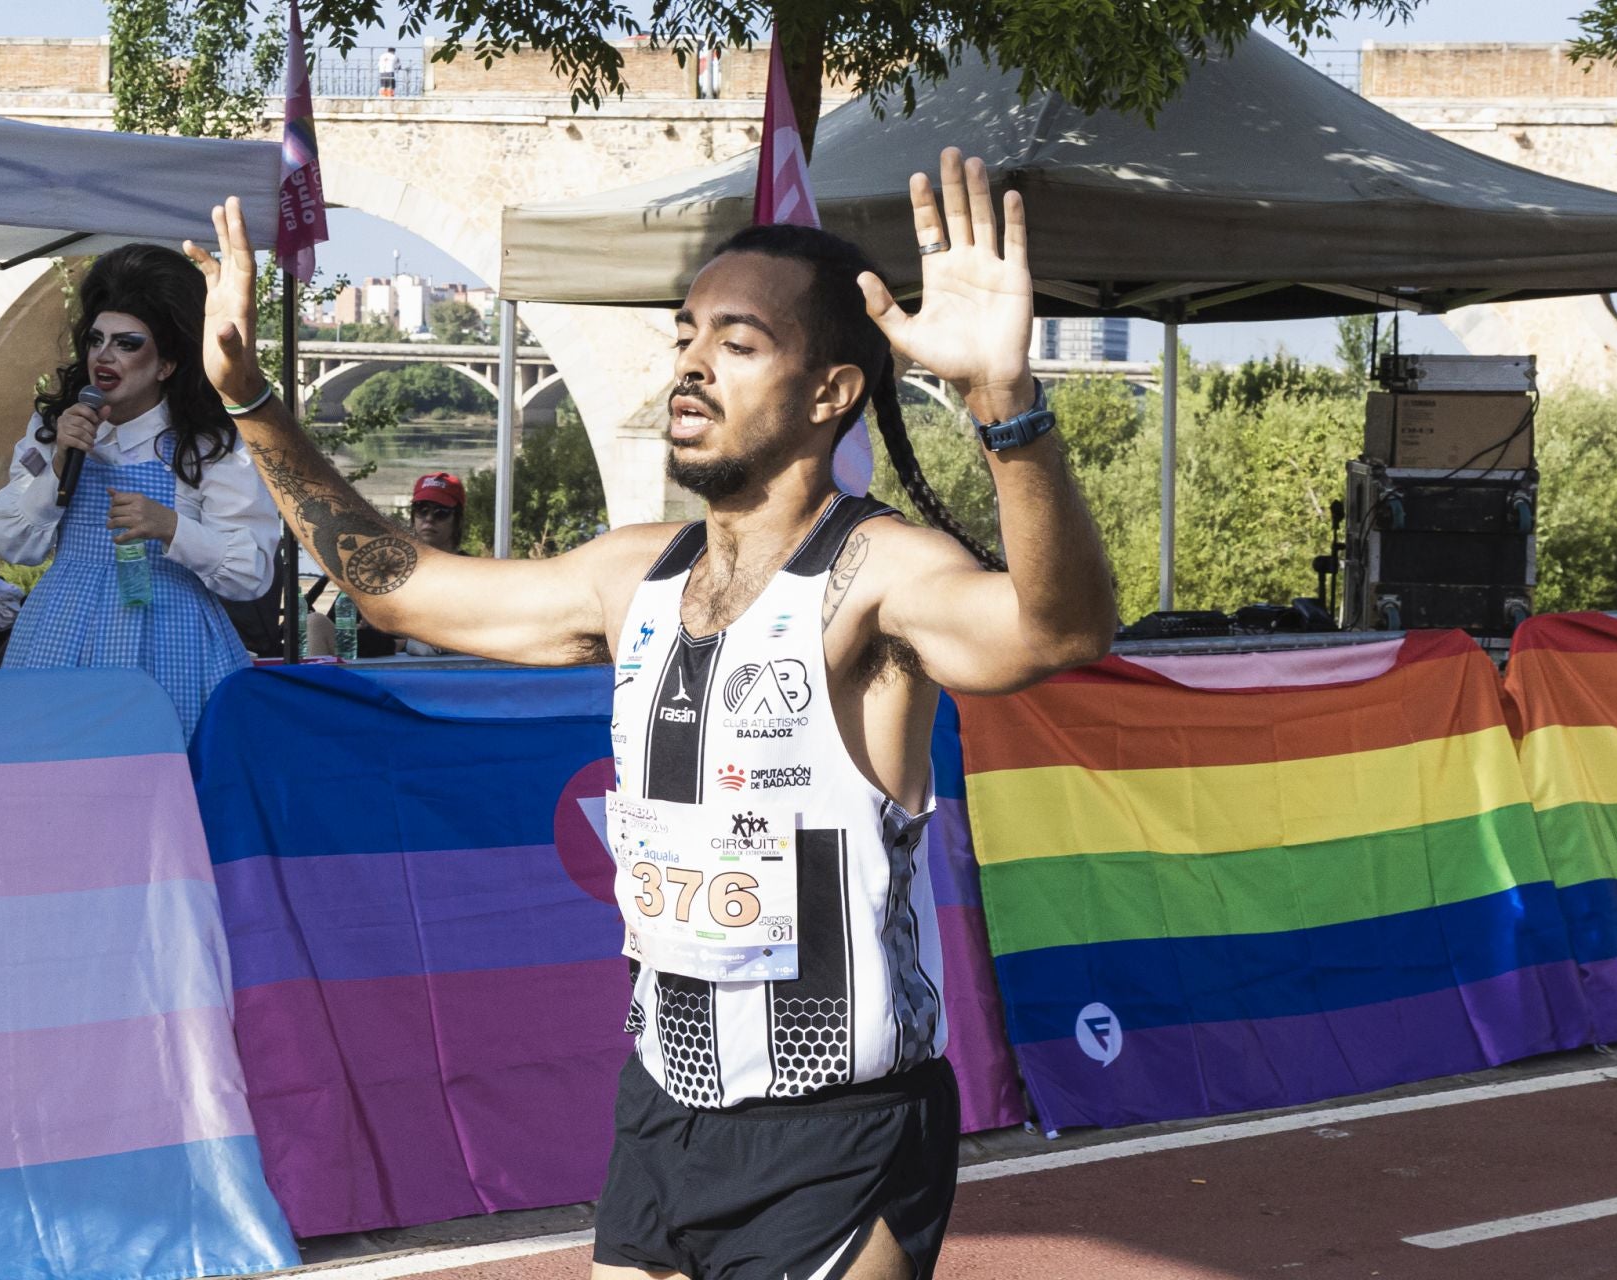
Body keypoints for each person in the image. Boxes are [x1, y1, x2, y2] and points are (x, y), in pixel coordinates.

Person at [187, 146, 1115, 1279]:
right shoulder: (633, 579)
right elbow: (394, 582)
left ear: (831, 392)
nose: (692, 364)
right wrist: (247, 396)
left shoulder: (875, 573)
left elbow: (1057, 630)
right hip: (666, 1114)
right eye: (686, 335)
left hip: (841, 1134)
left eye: (739, 343)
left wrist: (1005, 405)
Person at [0, 244, 280, 736]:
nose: (104, 355)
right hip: (60, 632)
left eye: (127, 343)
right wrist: (58, 465)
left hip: (173, 640)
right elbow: (11, 543)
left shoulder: (207, 444)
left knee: (164, 775)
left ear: (166, 364)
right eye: (97, 339)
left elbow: (252, 572)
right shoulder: (55, 426)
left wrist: (172, 528)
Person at [355, 471, 467, 655]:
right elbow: (344, 628)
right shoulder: (384, 569)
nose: (429, 519)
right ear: (413, 515)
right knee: (316, 623)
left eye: (441, 513)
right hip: (377, 670)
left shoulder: (473, 572)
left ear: (458, 520)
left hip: (442, 669)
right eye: (422, 510)